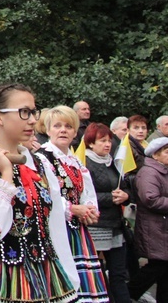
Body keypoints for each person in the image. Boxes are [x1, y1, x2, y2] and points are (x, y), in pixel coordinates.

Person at [0, 83, 79, 303]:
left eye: (33, 112)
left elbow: (55, 226)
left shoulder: (39, 163)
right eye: (23, 112)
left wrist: (70, 276)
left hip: (47, 277)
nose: (32, 119)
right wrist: (5, 174)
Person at [37, 106, 109, 302]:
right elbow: (44, 193)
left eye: (68, 126)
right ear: (48, 130)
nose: (63, 130)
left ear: (75, 132)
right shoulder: (42, 158)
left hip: (77, 229)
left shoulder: (75, 160)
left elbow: (87, 191)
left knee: (84, 284)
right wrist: (71, 208)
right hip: (56, 227)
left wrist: (90, 209)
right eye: (57, 126)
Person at [84, 123, 132, 303]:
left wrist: (125, 195)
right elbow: (85, 194)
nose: (107, 144)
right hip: (97, 225)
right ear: (90, 143)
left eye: (109, 141)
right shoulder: (84, 162)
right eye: (102, 140)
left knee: (118, 272)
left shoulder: (114, 163)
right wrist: (110, 198)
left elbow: (125, 187)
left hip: (116, 225)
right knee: (97, 271)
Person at [128, 137, 168, 302]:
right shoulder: (149, 172)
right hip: (154, 228)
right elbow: (150, 199)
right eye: (167, 152)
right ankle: (127, 293)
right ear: (156, 155)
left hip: (161, 228)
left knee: (164, 269)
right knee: (158, 266)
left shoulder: (163, 170)